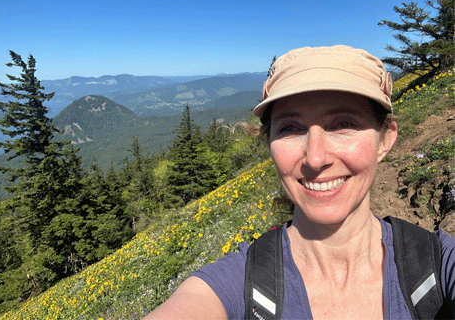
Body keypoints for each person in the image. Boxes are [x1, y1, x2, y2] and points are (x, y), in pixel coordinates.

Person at [143, 45, 455, 319]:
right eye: (290, 128)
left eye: (344, 124)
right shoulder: (237, 284)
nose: (315, 158)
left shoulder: (439, 263)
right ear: (270, 145)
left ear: (385, 139)